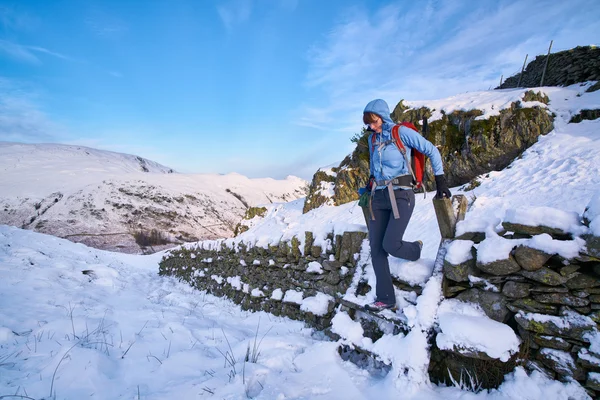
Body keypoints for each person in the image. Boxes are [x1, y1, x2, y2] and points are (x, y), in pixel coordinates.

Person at [362, 99, 451, 312]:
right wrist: (369, 184)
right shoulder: (372, 140)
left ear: (383, 116)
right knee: (376, 248)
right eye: (368, 123)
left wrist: (441, 180)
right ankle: (385, 298)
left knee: (390, 244)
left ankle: (415, 249)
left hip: (402, 194)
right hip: (379, 196)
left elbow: (432, 150)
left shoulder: (401, 133)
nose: (371, 127)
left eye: (374, 121)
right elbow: (376, 168)